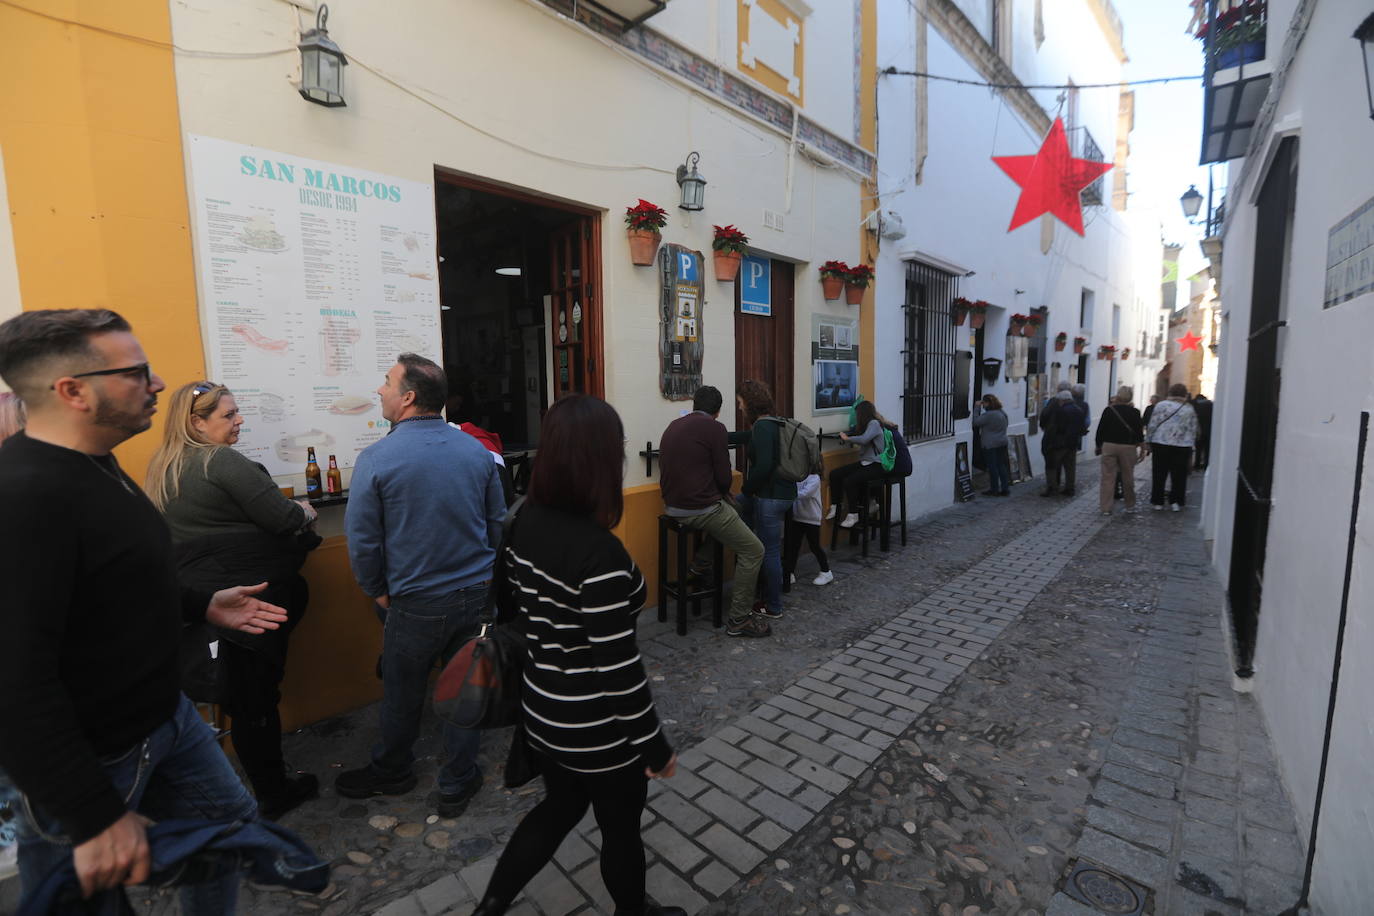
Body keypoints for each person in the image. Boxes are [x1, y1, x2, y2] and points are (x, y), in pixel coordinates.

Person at [0, 309, 293, 912]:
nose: (157, 384)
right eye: (137, 372)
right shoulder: (25, 497)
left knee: (228, 832)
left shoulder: (98, 462)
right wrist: (93, 813)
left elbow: (117, 577)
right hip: (94, 755)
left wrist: (202, 603)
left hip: (166, 720)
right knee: (87, 901)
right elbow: (15, 678)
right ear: (73, 390)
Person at [471, 395, 684, 916]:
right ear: (600, 460)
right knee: (620, 832)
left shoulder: (524, 523)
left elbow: (524, 613)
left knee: (558, 809)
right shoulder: (600, 555)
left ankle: (489, 908)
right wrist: (655, 747)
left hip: (543, 712)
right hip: (599, 728)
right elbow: (618, 671)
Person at [145, 381, 322, 819]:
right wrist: (304, 510)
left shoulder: (163, 468)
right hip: (247, 599)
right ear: (196, 423)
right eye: (228, 415)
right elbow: (282, 519)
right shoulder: (219, 460)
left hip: (202, 601)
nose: (239, 420)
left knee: (240, 697)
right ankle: (274, 792)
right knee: (256, 699)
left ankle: (252, 783)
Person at [338, 353, 504, 816]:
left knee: (402, 692)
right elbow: (495, 521)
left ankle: (393, 771)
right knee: (464, 691)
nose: (380, 390)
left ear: (409, 397)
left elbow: (363, 541)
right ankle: (458, 780)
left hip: (414, 601)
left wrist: (377, 590)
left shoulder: (377, 459)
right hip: (474, 595)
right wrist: (483, 572)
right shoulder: (475, 450)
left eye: (387, 382)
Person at [657, 385, 769, 638]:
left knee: (736, 509)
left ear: (695, 405)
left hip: (672, 506)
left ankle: (700, 562)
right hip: (699, 509)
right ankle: (739, 618)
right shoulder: (715, 429)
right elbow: (723, 478)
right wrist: (722, 493)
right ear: (718, 411)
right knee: (754, 550)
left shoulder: (673, 425)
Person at [733, 380, 797, 622]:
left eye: (740, 403)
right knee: (739, 508)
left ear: (749, 402)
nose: (739, 408)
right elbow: (745, 437)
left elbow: (764, 466)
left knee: (769, 551)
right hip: (785, 495)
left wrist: (747, 489)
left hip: (770, 497)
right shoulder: (773, 422)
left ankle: (773, 605)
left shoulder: (762, 427)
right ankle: (758, 581)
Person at [827, 399, 889, 528]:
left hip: (876, 465)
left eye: (857, 414)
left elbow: (865, 439)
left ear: (862, 413)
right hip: (865, 463)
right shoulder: (867, 425)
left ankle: (853, 514)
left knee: (850, 481)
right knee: (835, 474)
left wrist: (847, 438)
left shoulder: (874, 423)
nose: (856, 417)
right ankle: (836, 505)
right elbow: (860, 434)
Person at [1145, 383, 1199, 512]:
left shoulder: (1160, 405)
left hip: (1161, 443)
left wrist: (1148, 441)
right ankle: (1176, 501)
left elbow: (1152, 424)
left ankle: (1158, 502)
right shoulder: (1189, 409)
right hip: (1182, 445)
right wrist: (1193, 445)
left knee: (1159, 473)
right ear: (1184, 394)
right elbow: (1193, 429)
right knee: (1179, 475)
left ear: (1171, 392)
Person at [1094, 386, 1144, 515]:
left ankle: (1106, 508)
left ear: (1118, 396)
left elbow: (1101, 430)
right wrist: (1142, 448)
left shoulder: (1109, 410)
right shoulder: (1135, 412)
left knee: (1108, 477)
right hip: (1128, 447)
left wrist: (1099, 445)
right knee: (1127, 477)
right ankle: (1130, 505)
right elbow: (1139, 433)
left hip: (1109, 446)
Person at [783, 472, 833, 587]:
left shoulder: (814, 479)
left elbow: (805, 493)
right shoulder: (796, 476)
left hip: (811, 519)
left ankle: (826, 571)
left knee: (814, 546)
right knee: (793, 546)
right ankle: (789, 572)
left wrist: (786, 494)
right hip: (797, 516)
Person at [1039, 390, 1088, 496]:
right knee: (1070, 467)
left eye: (1059, 400)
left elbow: (1056, 428)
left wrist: (1049, 443)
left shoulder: (1060, 411)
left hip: (1059, 443)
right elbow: (1082, 428)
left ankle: (1052, 488)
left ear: (1063, 400)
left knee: (1051, 466)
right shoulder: (1079, 410)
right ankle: (1070, 488)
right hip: (1073, 443)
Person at [973, 394, 1010, 496]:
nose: (983, 405)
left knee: (992, 467)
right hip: (1002, 442)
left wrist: (976, 408)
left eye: (984, 403)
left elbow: (975, 422)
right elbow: (1006, 424)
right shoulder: (1002, 412)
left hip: (990, 444)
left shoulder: (989, 415)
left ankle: (994, 489)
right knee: (1001, 465)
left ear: (988, 403)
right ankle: (1005, 488)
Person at [1192, 392, 1213, 470]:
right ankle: (1206, 465)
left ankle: (1197, 465)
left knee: (1198, 449)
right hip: (1209, 431)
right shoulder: (1211, 405)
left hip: (1199, 431)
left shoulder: (1197, 406)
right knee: (1207, 450)